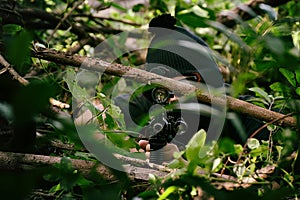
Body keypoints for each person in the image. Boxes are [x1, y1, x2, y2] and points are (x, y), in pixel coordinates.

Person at [114, 14, 269, 164]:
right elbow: (99, 114)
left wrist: (182, 166)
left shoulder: (244, 114)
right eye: (162, 91)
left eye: (181, 88)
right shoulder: (152, 102)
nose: (172, 99)